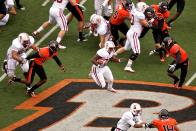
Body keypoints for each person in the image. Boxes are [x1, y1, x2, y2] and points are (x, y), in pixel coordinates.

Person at [114, 2, 151, 73]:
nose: (145, 8)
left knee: (126, 48)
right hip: (134, 34)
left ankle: (111, 55)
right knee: (137, 52)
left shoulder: (134, 11)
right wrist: (151, 21)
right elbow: (146, 25)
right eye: (144, 7)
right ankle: (128, 66)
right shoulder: (140, 15)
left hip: (130, 32)